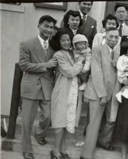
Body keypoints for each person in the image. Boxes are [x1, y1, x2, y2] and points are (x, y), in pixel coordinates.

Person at [19, 15, 57, 159]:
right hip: (31, 86)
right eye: (46, 26)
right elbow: (23, 65)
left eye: (51, 27)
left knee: (47, 117)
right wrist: (44, 66)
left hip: (47, 86)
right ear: (39, 25)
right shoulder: (26, 44)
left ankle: (39, 133)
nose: (48, 29)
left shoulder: (53, 48)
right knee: (27, 121)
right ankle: (27, 150)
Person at [80, 27, 121, 159]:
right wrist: (102, 94)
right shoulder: (97, 49)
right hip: (97, 93)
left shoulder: (116, 52)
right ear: (105, 37)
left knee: (102, 123)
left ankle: (93, 149)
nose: (113, 39)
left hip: (109, 93)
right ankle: (86, 155)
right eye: (111, 36)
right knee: (94, 124)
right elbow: (96, 73)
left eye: (116, 37)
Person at [50, 28, 85, 159]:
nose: (66, 42)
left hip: (73, 91)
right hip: (62, 90)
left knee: (67, 122)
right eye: (63, 40)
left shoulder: (72, 53)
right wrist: (81, 63)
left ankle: (63, 150)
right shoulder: (58, 55)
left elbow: (79, 72)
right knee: (59, 122)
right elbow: (69, 72)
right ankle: (55, 151)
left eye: (68, 39)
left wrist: (80, 65)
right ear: (58, 41)